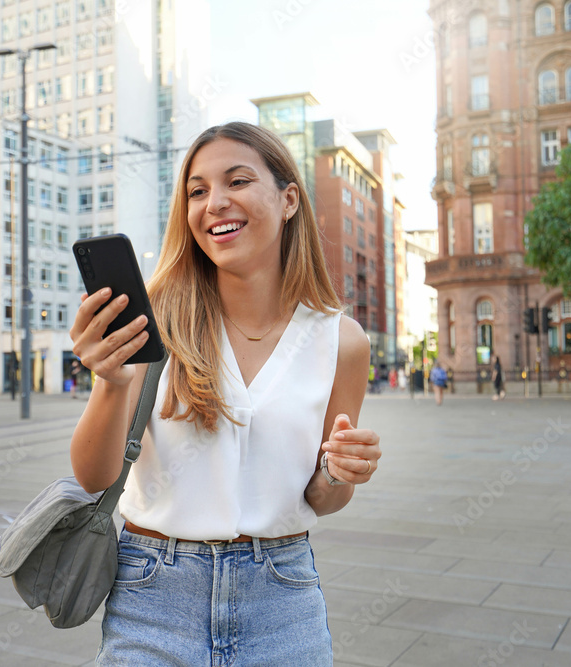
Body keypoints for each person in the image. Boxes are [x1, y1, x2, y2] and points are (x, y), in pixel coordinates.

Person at [69, 121, 381, 665]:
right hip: (155, 595)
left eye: (236, 182)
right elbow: (93, 476)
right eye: (197, 190)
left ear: (288, 200)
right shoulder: (155, 319)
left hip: (282, 600)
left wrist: (340, 471)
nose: (215, 203)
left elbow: (321, 499)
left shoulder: (342, 341)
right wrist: (110, 383)